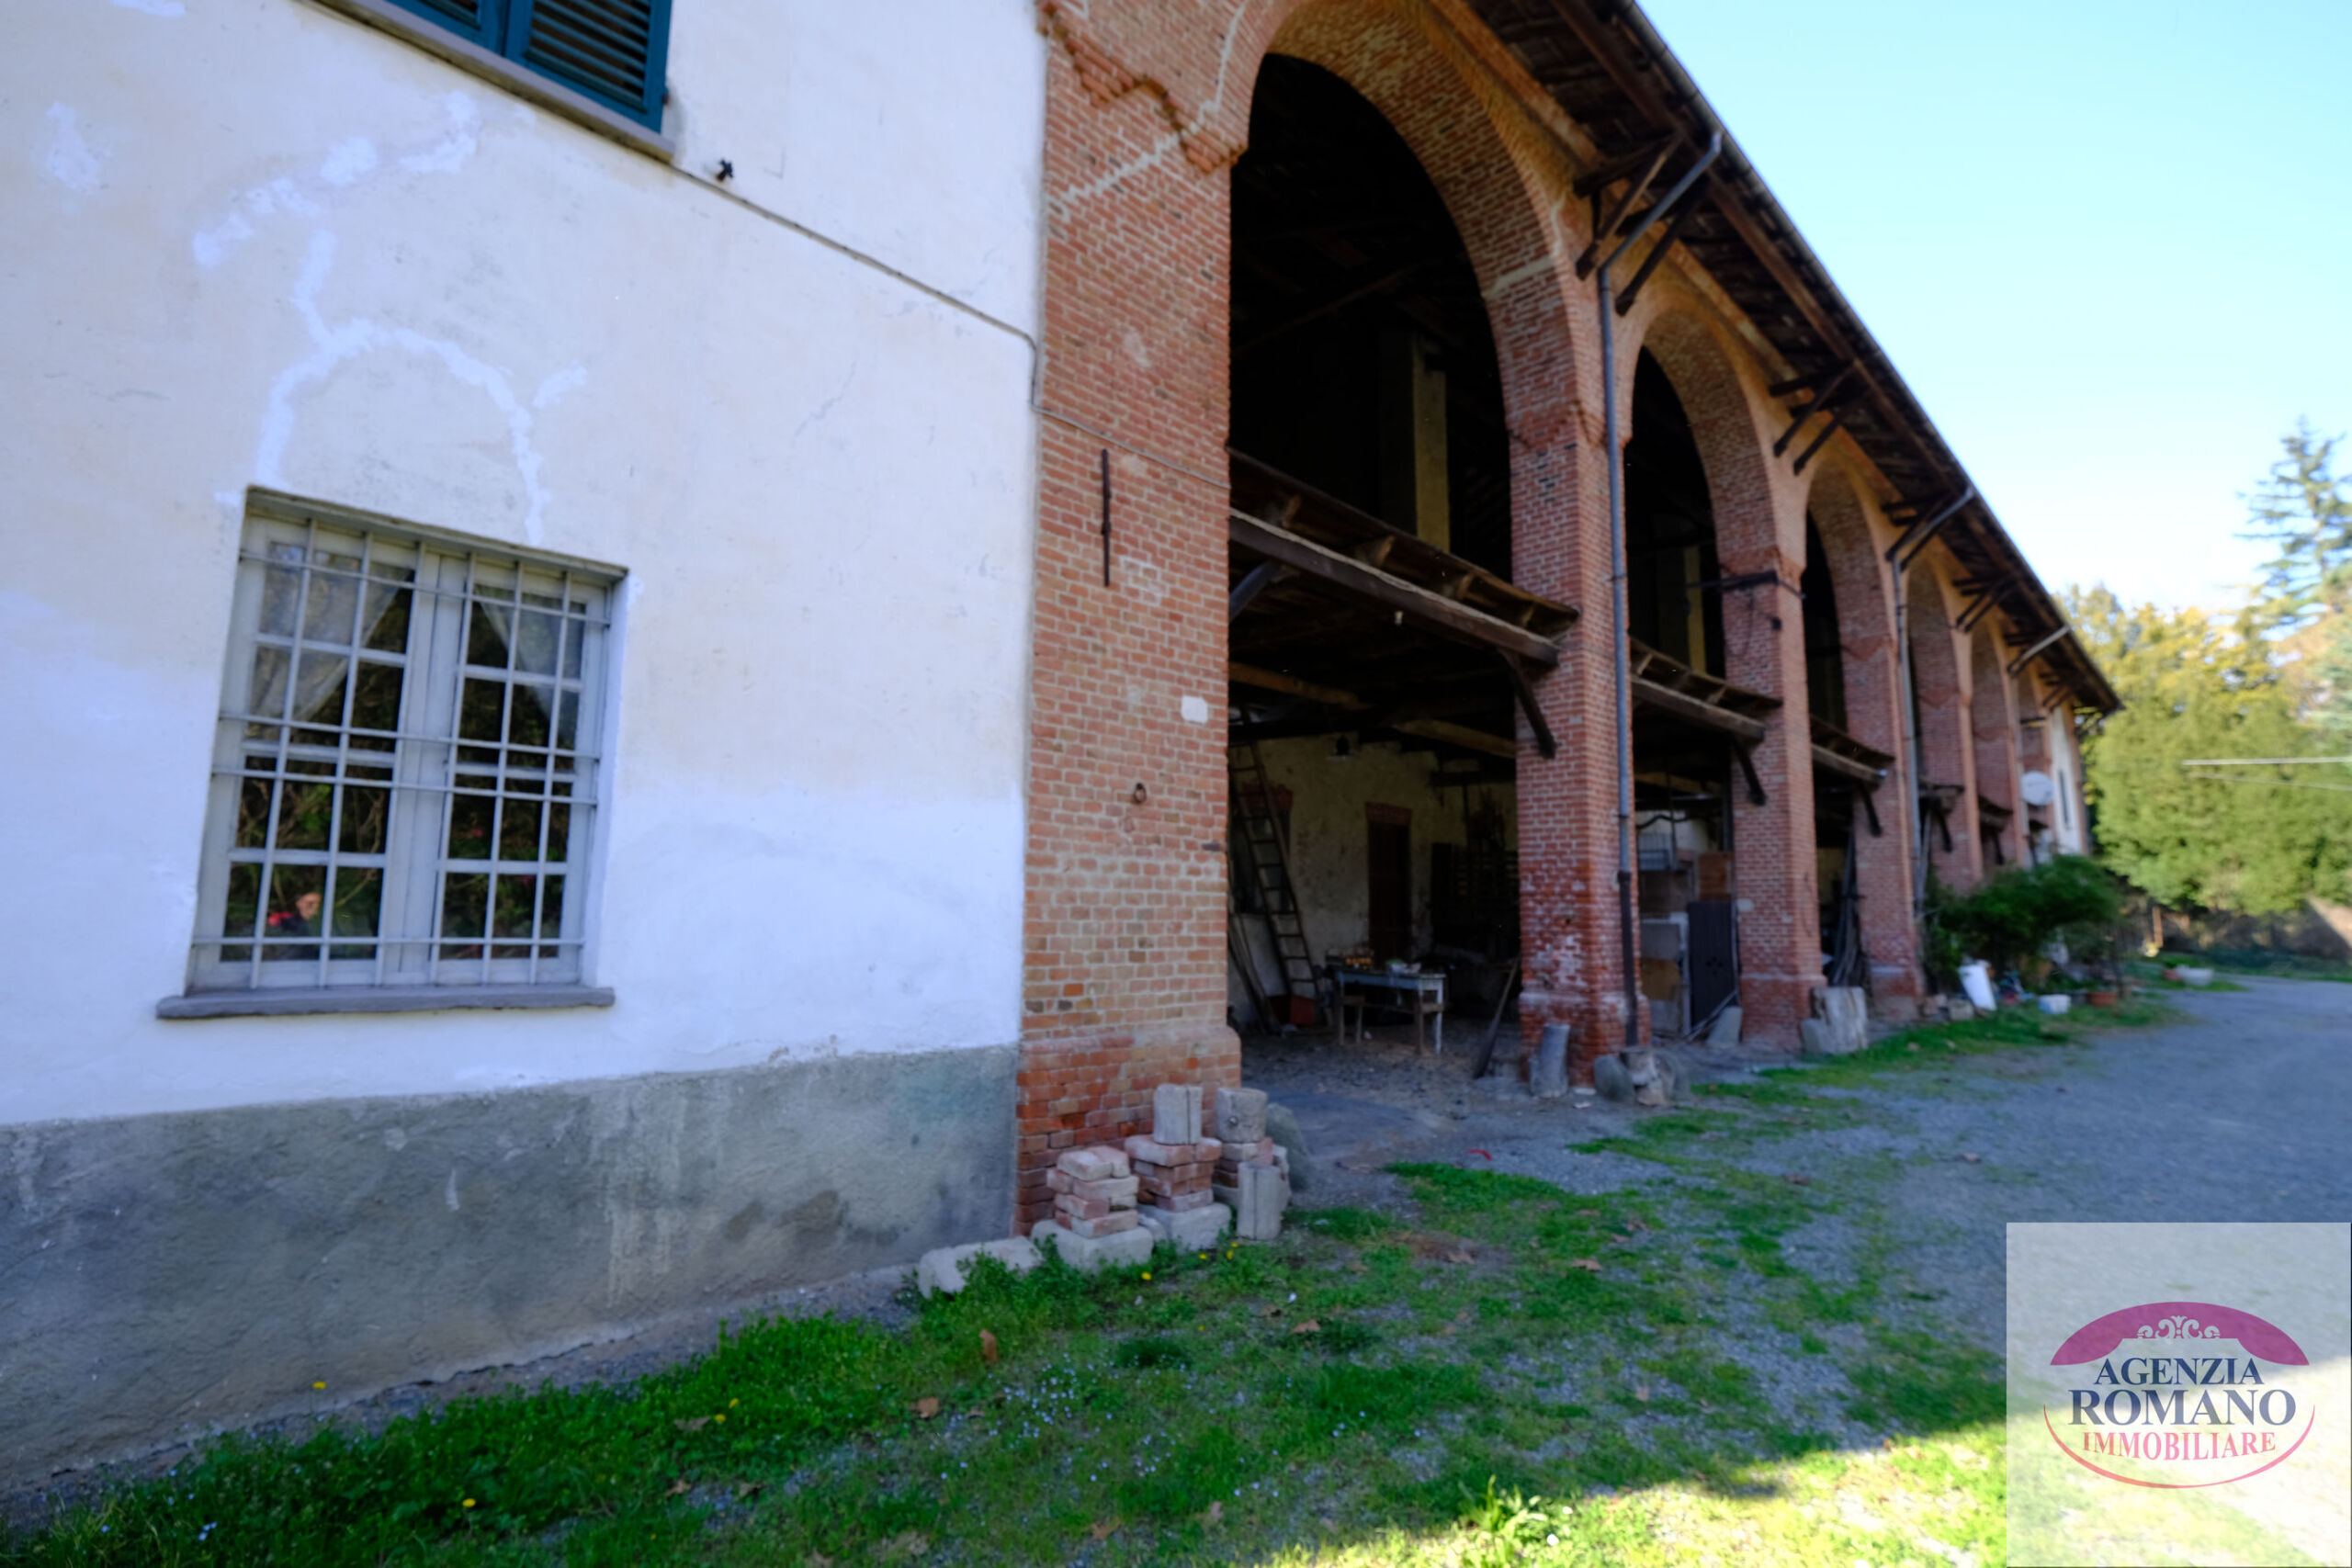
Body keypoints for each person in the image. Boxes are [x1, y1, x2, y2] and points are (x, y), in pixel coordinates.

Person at [266, 888, 323, 960]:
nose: (314, 906)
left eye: (318, 903)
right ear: (299, 903)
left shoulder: (323, 926)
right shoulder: (285, 924)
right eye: (310, 903)